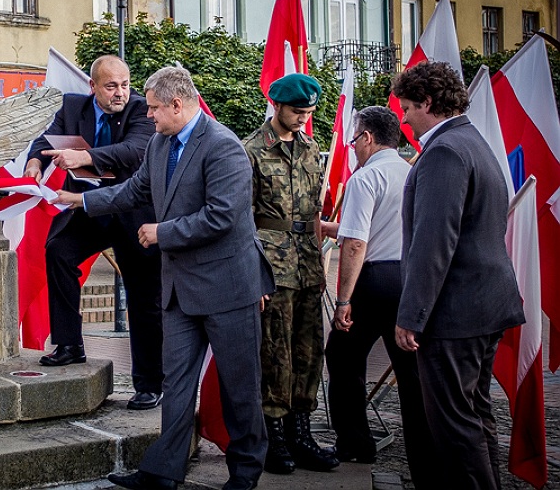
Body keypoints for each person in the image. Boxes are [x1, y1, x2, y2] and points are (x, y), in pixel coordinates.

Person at [54, 64, 275, 490]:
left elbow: (222, 217)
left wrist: (162, 232)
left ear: (177, 104)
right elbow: (135, 190)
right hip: (180, 290)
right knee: (176, 384)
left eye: (154, 108)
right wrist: (81, 202)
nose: (147, 114)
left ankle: (245, 473)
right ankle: (162, 472)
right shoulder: (160, 143)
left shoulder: (224, 146)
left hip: (228, 288)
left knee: (239, 386)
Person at [392, 61, 525, 489]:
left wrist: (411, 316)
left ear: (428, 103)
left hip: (455, 312)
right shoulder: (472, 140)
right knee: (474, 415)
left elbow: (434, 242)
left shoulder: (445, 151)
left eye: (407, 108)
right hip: (483, 305)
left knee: (453, 425)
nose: (404, 119)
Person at [25, 55, 164, 411]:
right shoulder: (73, 106)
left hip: (132, 213)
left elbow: (132, 151)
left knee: (143, 297)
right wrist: (35, 161)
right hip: (88, 210)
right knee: (58, 251)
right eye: (111, 86)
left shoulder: (140, 110)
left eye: (125, 85)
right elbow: (45, 140)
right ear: (93, 87)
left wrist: (83, 158)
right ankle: (69, 345)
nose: (120, 93)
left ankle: (150, 383)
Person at [320, 106, 440, 487]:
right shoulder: (412, 171)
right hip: (409, 276)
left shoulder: (365, 177)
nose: (353, 147)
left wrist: (343, 301)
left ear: (368, 138)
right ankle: (425, 458)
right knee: (411, 373)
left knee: (342, 356)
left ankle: (355, 442)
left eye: (354, 139)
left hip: (374, 280)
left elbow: (357, 242)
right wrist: (328, 227)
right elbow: (378, 226)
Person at [242, 73, 338, 474]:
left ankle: (302, 433)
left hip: (307, 264)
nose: (303, 118)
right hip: (272, 265)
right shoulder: (251, 150)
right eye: (297, 111)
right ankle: (274, 437)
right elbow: (242, 220)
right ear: (277, 105)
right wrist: (254, 277)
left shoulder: (312, 149)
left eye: (309, 112)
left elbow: (314, 213)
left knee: (309, 351)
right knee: (274, 352)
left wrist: (318, 259)